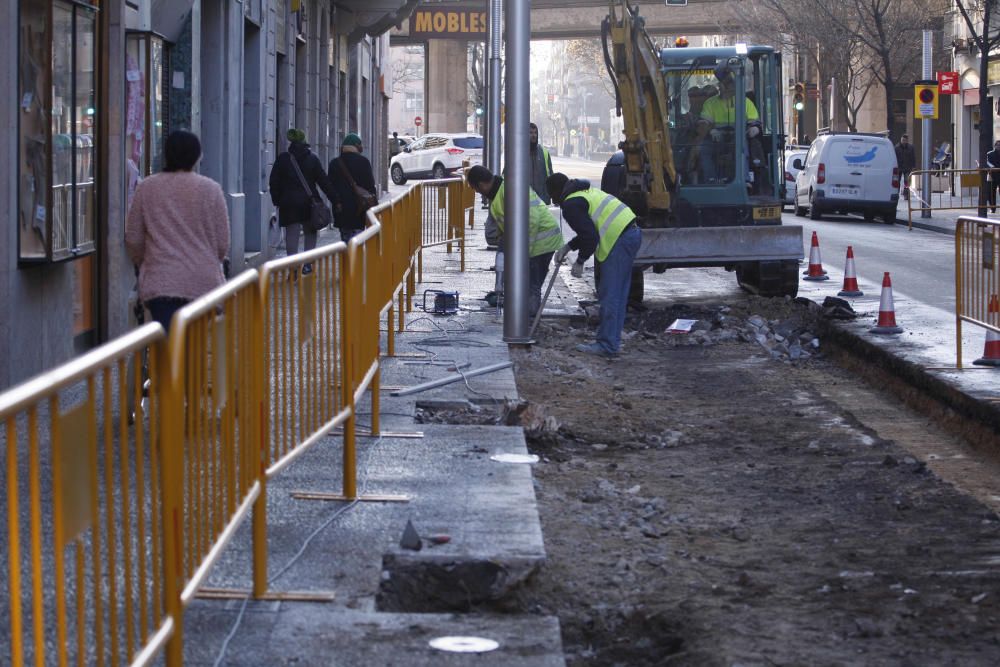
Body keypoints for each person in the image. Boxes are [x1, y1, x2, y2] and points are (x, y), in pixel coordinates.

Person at [125, 130, 229, 333]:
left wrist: (143, 262)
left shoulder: (147, 188)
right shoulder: (211, 189)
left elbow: (134, 238)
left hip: (162, 282)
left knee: (169, 348)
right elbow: (222, 244)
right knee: (194, 347)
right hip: (203, 282)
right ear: (197, 156)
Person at [546, 172, 640, 358]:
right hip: (631, 233)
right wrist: (569, 246)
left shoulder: (571, 205)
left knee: (610, 295)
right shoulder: (583, 192)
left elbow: (590, 237)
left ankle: (607, 345)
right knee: (618, 295)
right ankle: (611, 342)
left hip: (619, 240)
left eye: (552, 195)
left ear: (557, 192)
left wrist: (580, 261)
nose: (553, 200)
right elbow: (588, 230)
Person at [467, 165, 564, 316]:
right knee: (527, 285)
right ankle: (526, 322)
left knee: (531, 286)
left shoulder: (509, 190)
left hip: (542, 242)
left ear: (481, 185)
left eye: (477, 190)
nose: (480, 194)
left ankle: (528, 326)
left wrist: (524, 252)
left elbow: (532, 220)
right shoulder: (499, 194)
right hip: (537, 243)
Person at [268, 128, 339, 258]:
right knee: (310, 233)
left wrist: (277, 200)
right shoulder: (313, 159)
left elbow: (274, 182)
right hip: (309, 203)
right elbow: (324, 182)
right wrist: (335, 199)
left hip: (289, 204)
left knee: (291, 235)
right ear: (305, 143)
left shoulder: (283, 159)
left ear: (292, 144)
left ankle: (293, 267)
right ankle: (308, 264)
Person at [694, 65, 760, 184]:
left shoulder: (745, 102)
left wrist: (754, 128)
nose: (724, 87)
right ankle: (711, 179)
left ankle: (744, 179)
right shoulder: (711, 103)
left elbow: (753, 121)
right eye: (722, 84)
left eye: (728, 84)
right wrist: (711, 131)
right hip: (716, 138)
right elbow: (704, 122)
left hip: (738, 137)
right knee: (704, 149)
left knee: (743, 147)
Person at [328, 133, 378, 243]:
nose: (362, 147)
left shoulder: (334, 163)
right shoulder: (363, 162)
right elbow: (370, 185)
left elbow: (330, 187)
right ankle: (355, 259)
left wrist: (336, 202)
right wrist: (374, 204)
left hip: (341, 209)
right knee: (358, 242)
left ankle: (348, 258)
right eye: (360, 144)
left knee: (345, 240)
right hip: (359, 208)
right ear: (355, 145)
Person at [529, 122, 555, 204]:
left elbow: (551, 175)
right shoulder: (519, 153)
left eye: (535, 133)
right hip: (525, 200)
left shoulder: (544, 152)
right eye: (530, 133)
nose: (534, 135)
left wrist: (554, 196)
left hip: (542, 200)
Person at [895, 134, 917, 201]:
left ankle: (906, 195)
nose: (903, 141)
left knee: (906, 182)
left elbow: (913, 157)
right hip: (899, 167)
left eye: (904, 140)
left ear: (907, 140)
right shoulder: (896, 147)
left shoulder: (911, 147)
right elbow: (894, 157)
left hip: (907, 167)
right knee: (897, 182)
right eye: (902, 140)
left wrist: (913, 166)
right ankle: (896, 194)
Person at [987, 140, 1000, 213]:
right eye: (997, 145)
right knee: (991, 193)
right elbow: (987, 162)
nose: (998, 147)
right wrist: (993, 167)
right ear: (995, 146)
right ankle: (992, 208)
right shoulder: (990, 154)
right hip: (993, 175)